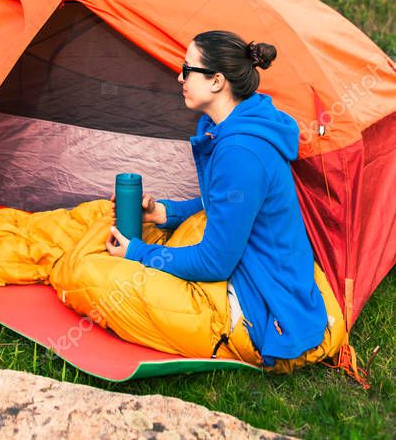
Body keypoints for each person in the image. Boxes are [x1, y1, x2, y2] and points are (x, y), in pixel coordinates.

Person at [106, 29, 330, 367]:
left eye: (188, 69)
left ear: (216, 81)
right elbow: (228, 203)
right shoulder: (243, 123)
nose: (179, 76)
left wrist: (136, 252)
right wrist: (164, 212)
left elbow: (214, 263)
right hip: (267, 268)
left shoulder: (240, 150)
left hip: (264, 300)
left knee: (104, 285)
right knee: (101, 229)